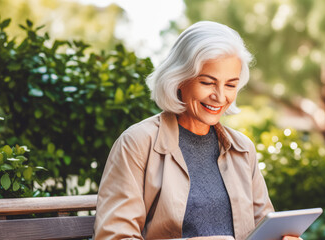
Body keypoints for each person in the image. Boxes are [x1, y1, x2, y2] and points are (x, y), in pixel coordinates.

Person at [94, 21, 302, 240]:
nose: (220, 97)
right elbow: (115, 236)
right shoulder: (137, 143)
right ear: (179, 79)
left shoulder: (243, 148)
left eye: (230, 85)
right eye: (207, 82)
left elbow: (264, 226)